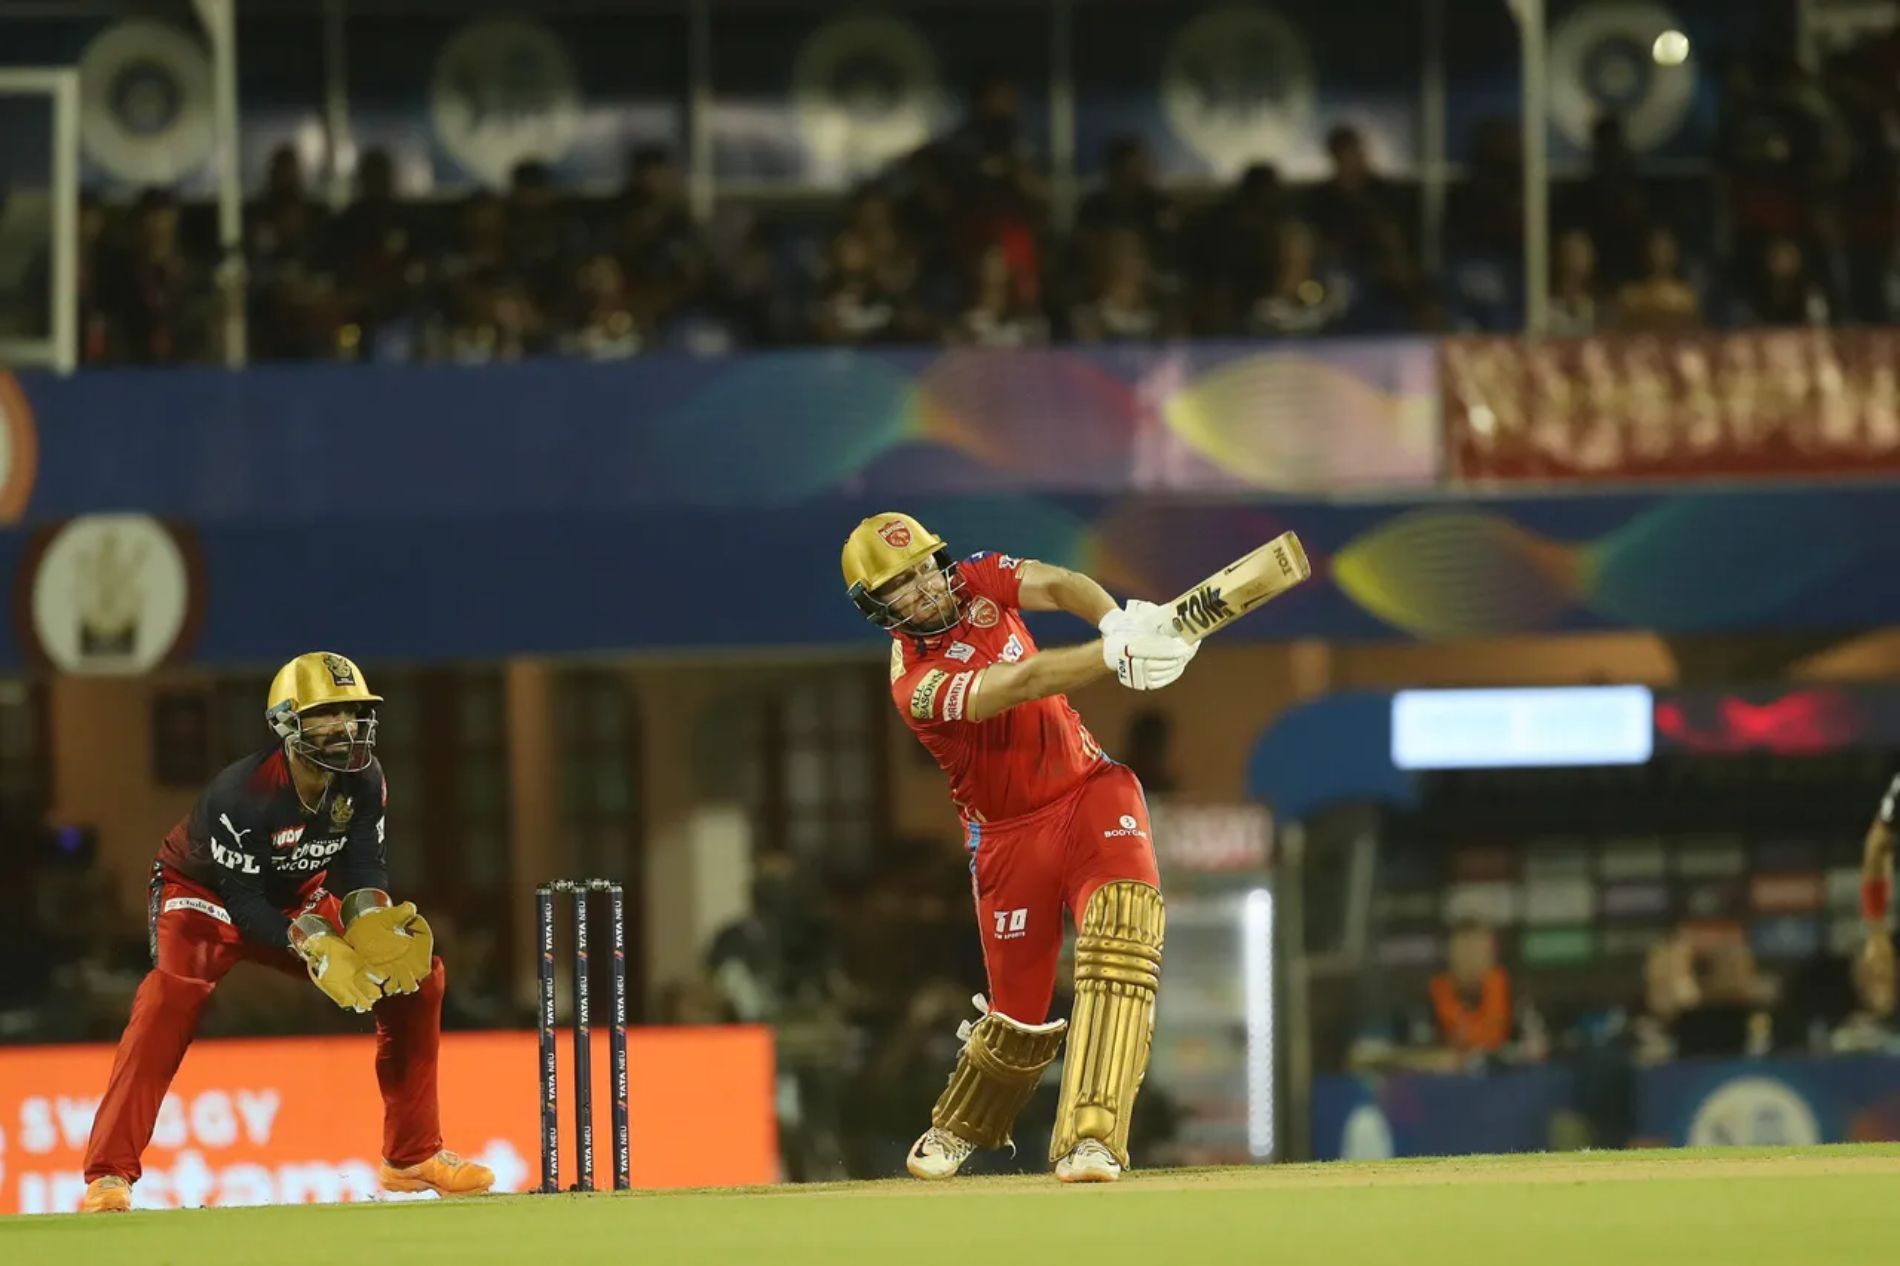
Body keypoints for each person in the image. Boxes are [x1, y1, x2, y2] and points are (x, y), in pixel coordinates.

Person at [839, 512, 1198, 1184]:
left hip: (1091, 792)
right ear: (876, 609)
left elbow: (1061, 585)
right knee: (1019, 1018)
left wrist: (1117, 623)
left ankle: (1093, 1140)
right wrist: (1112, 657)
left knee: (1123, 937)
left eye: (923, 569)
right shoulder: (915, 685)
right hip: (1008, 839)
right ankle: (960, 1125)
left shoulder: (975, 578)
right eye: (902, 587)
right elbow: (1021, 684)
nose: (925, 589)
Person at [78, 652, 491, 1212]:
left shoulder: (365, 779)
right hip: (203, 896)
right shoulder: (241, 793)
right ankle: (109, 1175)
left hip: (296, 895)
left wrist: (369, 924)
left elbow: (366, 870)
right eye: (327, 715)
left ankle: (411, 1156)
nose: (346, 729)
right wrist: (318, 946)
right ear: (286, 726)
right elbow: (246, 906)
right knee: (169, 996)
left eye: (354, 714)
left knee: (417, 978)